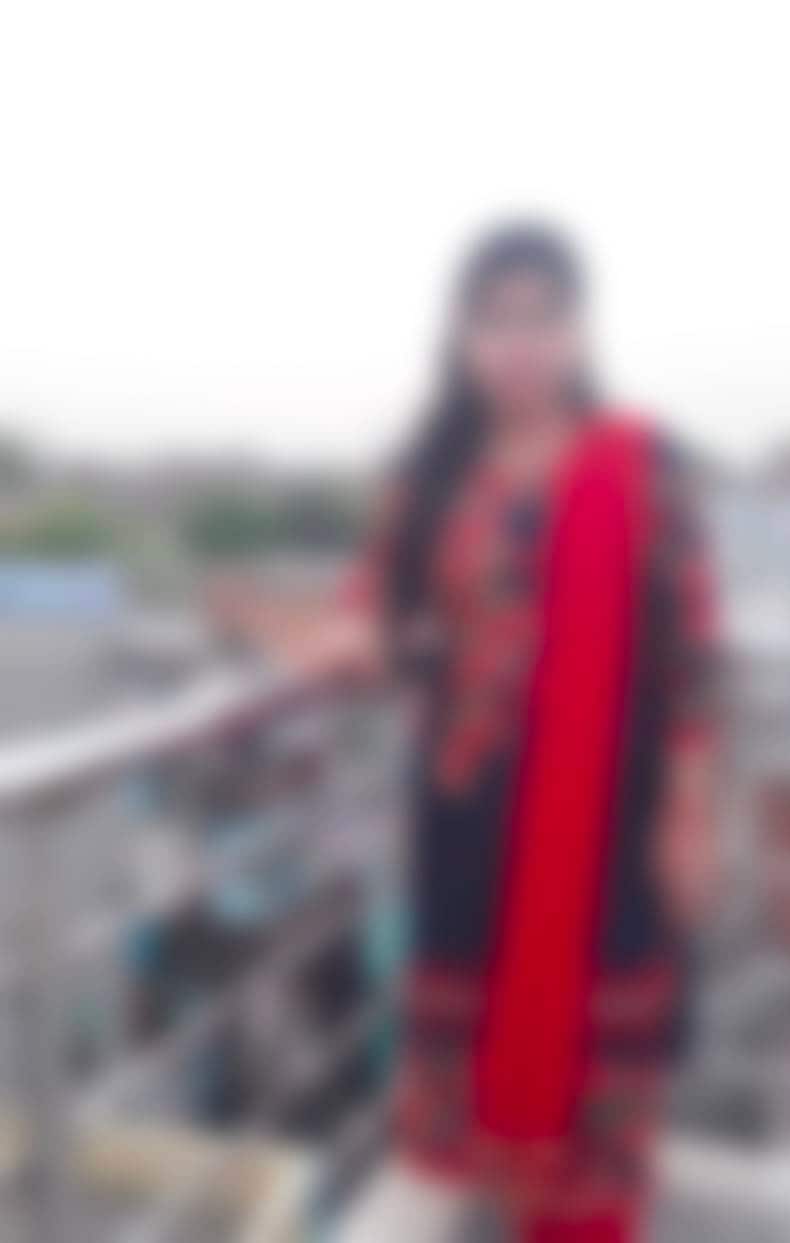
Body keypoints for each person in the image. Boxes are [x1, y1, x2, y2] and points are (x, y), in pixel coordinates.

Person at [219, 223, 719, 1242]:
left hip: (608, 831)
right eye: (496, 319)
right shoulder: (430, 476)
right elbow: (378, 612)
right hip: (468, 821)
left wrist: (687, 808)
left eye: (543, 317)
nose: (520, 342)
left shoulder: (638, 463)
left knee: (594, 1092)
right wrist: (310, 637)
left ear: (578, 331)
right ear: (461, 335)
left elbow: (693, 650)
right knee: (482, 1083)